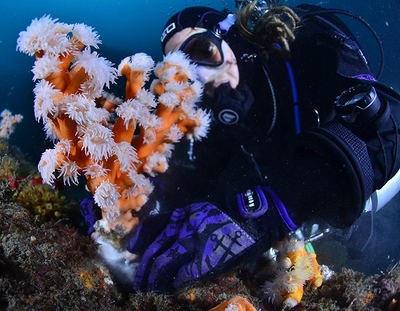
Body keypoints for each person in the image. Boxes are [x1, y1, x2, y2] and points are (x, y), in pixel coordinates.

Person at [82, 1, 400, 293]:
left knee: (359, 240)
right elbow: (200, 174)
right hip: (293, 202)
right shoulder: (214, 112)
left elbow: (389, 132)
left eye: (202, 50)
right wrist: (138, 201)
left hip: (361, 180)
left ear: (228, 33)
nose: (202, 75)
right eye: (183, 72)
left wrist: (274, 207)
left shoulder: (306, 40)